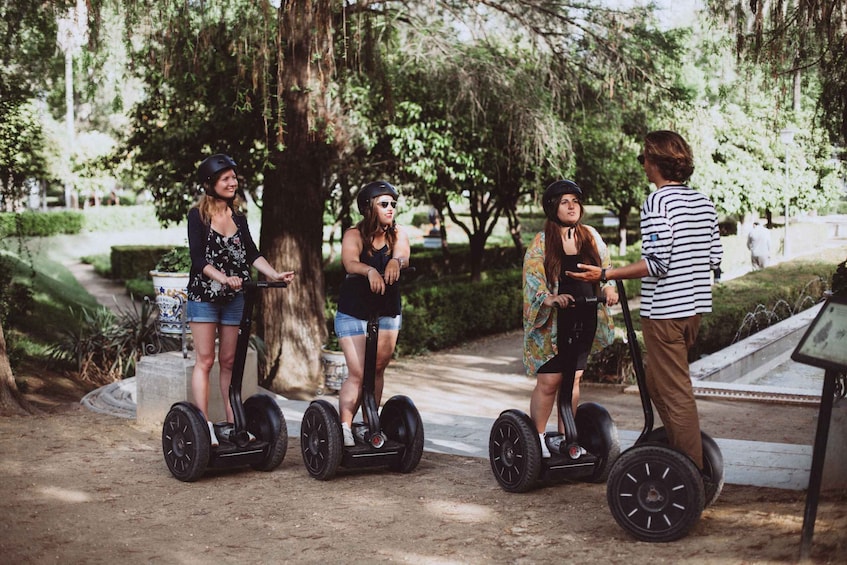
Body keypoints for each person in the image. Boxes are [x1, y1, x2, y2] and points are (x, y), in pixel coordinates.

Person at [567, 131, 723, 470]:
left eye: (645, 159)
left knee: (674, 393)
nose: (643, 166)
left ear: (656, 163)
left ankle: (690, 473)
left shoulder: (657, 202)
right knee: (654, 380)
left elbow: (656, 263)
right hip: (693, 310)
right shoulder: (703, 202)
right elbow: (714, 257)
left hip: (665, 312)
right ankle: (677, 447)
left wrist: (605, 275)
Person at [186, 153, 295, 447]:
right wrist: (222, 278)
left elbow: (252, 254)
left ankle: (236, 425)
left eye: (234, 178)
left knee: (230, 361)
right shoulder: (197, 216)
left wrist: (274, 275)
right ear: (210, 184)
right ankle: (203, 426)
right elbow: (197, 260)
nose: (233, 182)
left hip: (235, 297)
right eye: (226, 178)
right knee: (205, 360)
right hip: (205, 296)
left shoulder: (239, 219)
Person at [523, 180, 619, 458]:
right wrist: (549, 298)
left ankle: (567, 438)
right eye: (564, 202)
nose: (571, 206)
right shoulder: (542, 241)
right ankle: (538, 441)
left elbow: (606, 268)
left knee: (573, 380)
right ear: (553, 207)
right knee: (550, 381)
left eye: (575, 201)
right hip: (553, 324)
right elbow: (532, 278)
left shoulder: (589, 235)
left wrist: (609, 287)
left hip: (584, 315)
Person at [336, 180, 411, 447]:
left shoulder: (397, 234)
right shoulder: (353, 235)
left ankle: (370, 423)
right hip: (354, 312)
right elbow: (350, 262)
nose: (391, 208)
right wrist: (368, 270)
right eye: (384, 204)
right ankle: (344, 427)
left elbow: (403, 256)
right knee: (358, 373)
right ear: (369, 207)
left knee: (378, 368)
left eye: (393, 203)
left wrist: (395, 261)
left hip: (387, 311)